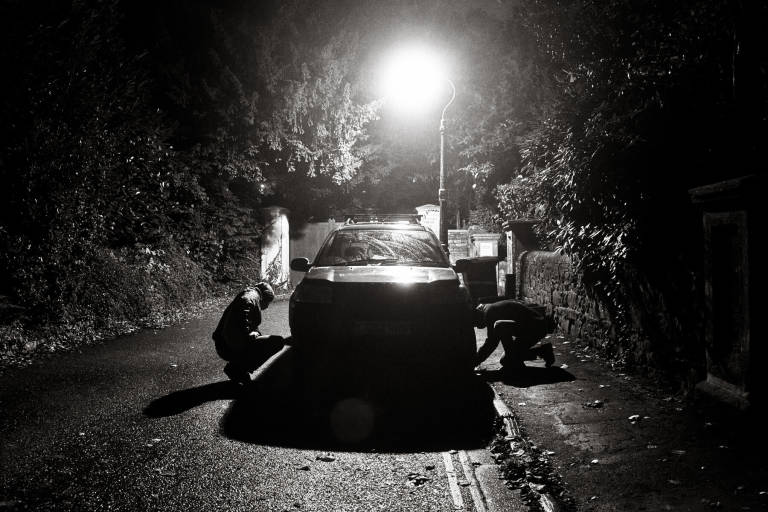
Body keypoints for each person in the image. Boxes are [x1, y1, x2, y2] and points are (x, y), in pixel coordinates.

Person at [212, 282, 284, 384]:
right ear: (264, 298)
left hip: (224, 342)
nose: (267, 307)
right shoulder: (250, 298)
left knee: (262, 339)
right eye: (268, 303)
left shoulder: (250, 295)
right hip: (227, 345)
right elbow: (242, 317)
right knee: (277, 341)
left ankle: (237, 367)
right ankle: (237, 369)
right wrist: (248, 334)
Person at [473, 299, 555, 373]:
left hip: (536, 328)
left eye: (475, 323)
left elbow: (491, 342)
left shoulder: (489, 312)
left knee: (499, 326)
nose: (477, 326)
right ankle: (543, 351)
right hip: (535, 327)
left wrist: (475, 362)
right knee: (505, 360)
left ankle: (515, 362)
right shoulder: (489, 308)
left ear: (478, 314)